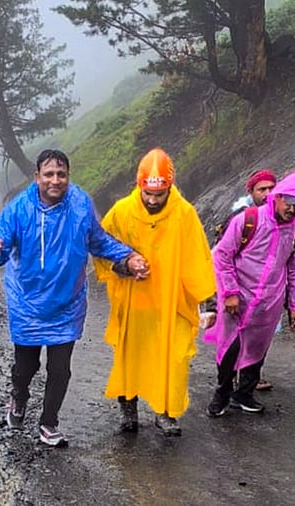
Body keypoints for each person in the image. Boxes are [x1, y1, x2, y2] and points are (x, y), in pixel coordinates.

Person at [0, 149, 148, 448]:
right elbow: (1, 249)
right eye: (48, 174)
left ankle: (49, 423)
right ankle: (18, 398)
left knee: (60, 369)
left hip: (67, 304)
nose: (55, 180)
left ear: (68, 177)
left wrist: (129, 256)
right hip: (27, 304)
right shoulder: (18, 209)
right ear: (37, 178)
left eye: (61, 174)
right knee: (25, 368)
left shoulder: (81, 204)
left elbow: (98, 240)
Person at [93, 148, 216, 436]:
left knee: (171, 359)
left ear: (169, 187)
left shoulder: (184, 213)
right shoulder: (122, 211)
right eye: (147, 192)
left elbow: (197, 258)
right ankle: (128, 411)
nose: (151, 199)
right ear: (139, 185)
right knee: (129, 357)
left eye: (158, 194)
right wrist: (124, 265)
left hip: (170, 303)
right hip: (134, 301)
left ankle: (165, 412)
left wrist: (207, 303)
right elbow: (100, 247)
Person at [204, 164, 295, 417]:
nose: (293, 211)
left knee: (258, 347)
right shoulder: (248, 220)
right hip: (237, 297)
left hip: (269, 301)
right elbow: (222, 256)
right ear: (279, 198)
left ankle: (245, 394)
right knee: (230, 346)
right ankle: (222, 394)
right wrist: (229, 293)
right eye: (290, 204)